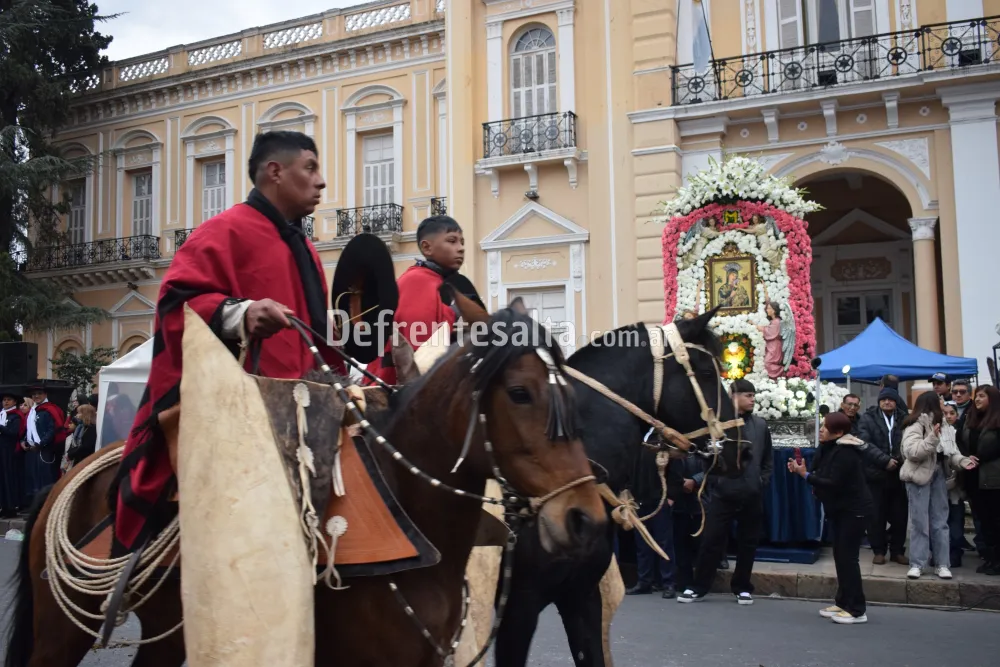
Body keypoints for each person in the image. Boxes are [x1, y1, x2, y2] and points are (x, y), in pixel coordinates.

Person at [111, 130, 348, 556]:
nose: (321, 181)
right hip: (240, 409)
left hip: (305, 407)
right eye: (310, 168)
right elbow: (175, 305)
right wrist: (239, 313)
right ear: (275, 171)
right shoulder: (223, 231)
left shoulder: (306, 250)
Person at [678, 379, 771, 605]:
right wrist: (716, 480)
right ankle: (699, 587)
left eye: (753, 395)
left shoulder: (760, 425)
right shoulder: (718, 425)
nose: (752, 399)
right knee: (711, 540)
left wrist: (760, 481)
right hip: (723, 492)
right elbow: (705, 457)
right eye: (747, 395)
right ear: (733, 396)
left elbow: (768, 460)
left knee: (748, 543)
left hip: (751, 493)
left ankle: (742, 587)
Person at [788, 412, 872, 625]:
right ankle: (843, 602)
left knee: (848, 559)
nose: (821, 429)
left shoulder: (847, 452)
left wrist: (805, 476)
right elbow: (819, 471)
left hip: (854, 510)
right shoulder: (828, 448)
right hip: (839, 510)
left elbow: (833, 481)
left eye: (825, 427)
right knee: (840, 557)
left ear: (839, 432)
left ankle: (857, 609)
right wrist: (804, 470)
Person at [365, 215, 465, 385]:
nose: (461, 248)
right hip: (396, 393)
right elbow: (420, 353)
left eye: (462, 242)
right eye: (452, 241)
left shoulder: (437, 282)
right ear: (427, 248)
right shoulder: (418, 281)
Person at [899, 392, 977, 580]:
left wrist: (964, 461)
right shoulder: (915, 424)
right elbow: (912, 452)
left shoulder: (945, 426)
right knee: (919, 523)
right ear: (932, 403)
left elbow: (952, 453)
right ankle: (918, 564)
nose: (943, 403)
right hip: (918, 477)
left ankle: (942, 564)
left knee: (940, 522)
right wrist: (932, 438)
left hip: (939, 475)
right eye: (940, 401)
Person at [858, 386, 909, 566]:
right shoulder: (868, 418)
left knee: (900, 516)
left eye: (891, 399)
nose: (887, 402)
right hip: (875, 474)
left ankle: (897, 551)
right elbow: (864, 443)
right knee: (875, 516)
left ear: (896, 402)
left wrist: (897, 459)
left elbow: (908, 441)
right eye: (884, 399)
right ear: (879, 402)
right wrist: (884, 460)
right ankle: (878, 550)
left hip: (899, 474)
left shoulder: (905, 418)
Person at [958, 385, 1000, 575]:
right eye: (976, 396)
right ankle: (991, 559)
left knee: (996, 521)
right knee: (983, 522)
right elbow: (960, 440)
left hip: (993, 479)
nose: (977, 399)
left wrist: (980, 457)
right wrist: (967, 456)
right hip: (973, 477)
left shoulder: (997, 420)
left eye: (982, 396)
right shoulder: (969, 418)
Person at [626, 448, 676, 599]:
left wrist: (671, 496)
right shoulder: (637, 441)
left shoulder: (662, 440)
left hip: (660, 499)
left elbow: (675, 469)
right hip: (639, 499)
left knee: (664, 543)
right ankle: (644, 581)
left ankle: (668, 583)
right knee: (642, 544)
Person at [669, 452, 707, 594]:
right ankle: (684, 583)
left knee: (702, 545)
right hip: (678, 504)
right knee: (680, 546)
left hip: (702, 503)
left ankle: (700, 584)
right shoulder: (673, 450)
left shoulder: (703, 446)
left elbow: (715, 468)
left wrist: (695, 481)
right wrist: (679, 484)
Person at [0, 389, 25, 518]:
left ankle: (10, 508)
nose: (6, 402)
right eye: (4, 400)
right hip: (1, 451)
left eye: (8, 400)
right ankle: (3, 506)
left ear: (14, 402)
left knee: (8, 479)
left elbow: (13, 433)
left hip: (9, 452)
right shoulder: (2, 414)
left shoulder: (16, 416)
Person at [67, 404, 98, 468]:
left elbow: (85, 447)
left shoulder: (91, 429)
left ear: (85, 414)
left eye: (79, 413)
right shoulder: (81, 427)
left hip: (85, 461)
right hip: (77, 459)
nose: (76, 415)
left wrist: (71, 454)